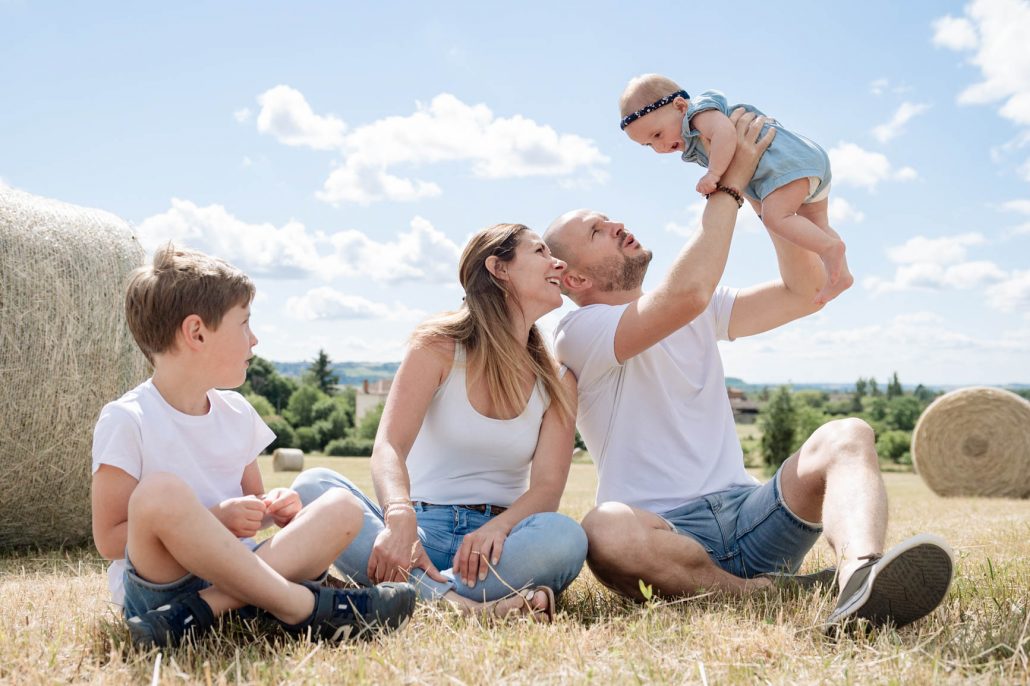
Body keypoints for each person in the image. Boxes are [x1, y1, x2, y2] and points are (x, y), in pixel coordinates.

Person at [544, 109, 953, 632]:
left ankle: (858, 580)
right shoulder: (578, 333)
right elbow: (684, 295)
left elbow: (803, 294)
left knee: (848, 433)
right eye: (598, 231)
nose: (618, 224)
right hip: (664, 534)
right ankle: (752, 594)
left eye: (608, 217)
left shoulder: (698, 308)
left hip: (751, 513)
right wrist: (732, 182)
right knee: (603, 531)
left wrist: (771, 190)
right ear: (574, 278)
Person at [91, 244, 416, 648]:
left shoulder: (238, 412)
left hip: (249, 574)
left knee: (343, 507)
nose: (255, 339)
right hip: (163, 588)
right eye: (244, 324)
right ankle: (299, 605)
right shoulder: (128, 418)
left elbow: (253, 504)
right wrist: (216, 519)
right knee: (160, 494)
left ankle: (207, 611)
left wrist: (273, 509)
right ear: (197, 333)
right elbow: (108, 539)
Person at [292, 223, 587, 621]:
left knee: (566, 537)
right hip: (418, 532)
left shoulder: (556, 377)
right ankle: (464, 607)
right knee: (312, 485)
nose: (559, 262)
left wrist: (498, 528)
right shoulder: (437, 346)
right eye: (540, 252)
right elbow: (389, 446)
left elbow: (548, 488)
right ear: (499, 268)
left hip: (497, 546)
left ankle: (405, 597)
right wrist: (399, 518)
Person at [619, 73, 853, 305]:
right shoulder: (692, 135)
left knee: (776, 217)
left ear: (680, 106)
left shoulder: (698, 114)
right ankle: (841, 274)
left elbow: (725, 133)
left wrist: (713, 174)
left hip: (786, 164)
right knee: (817, 225)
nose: (659, 147)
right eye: (649, 145)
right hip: (802, 163)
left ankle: (830, 248)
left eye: (657, 134)